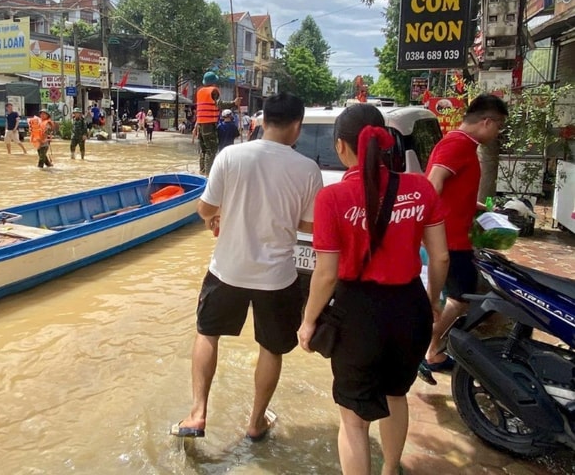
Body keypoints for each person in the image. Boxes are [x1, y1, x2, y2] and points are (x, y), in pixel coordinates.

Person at [297, 103, 449, 475]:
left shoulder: (332, 199)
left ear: (340, 147)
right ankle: (391, 468)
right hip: (410, 307)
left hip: (358, 315)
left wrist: (307, 322)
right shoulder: (421, 188)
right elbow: (441, 258)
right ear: (383, 143)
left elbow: (326, 274)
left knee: (353, 420)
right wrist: (431, 304)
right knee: (397, 395)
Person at [171, 92, 323, 442]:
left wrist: (220, 216)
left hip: (227, 270)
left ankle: (197, 414)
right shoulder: (307, 169)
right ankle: (256, 422)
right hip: (278, 278)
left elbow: (204, 210)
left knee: (208, 334)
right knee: (271, 348)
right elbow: (312, 227)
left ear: (262, 120)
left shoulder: (230, 156)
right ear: (297, 126)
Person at [420, 93, 509, 379]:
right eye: (499, 127)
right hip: (449, 241)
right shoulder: (458, 144)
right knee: (458, 301)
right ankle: (429, 351)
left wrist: (482, 209)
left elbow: (454, 192)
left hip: (453, 238)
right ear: (486, 121)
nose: (498, 133)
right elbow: (433, 184)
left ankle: (429, 349)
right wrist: (430, 234)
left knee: (455, 299)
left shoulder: (464, 146)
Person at [195, 71, 241, 176]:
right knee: (211, 150)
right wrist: (234, 103)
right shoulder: (213, 91)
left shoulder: (200, 91)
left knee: (203, 150)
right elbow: (220, 105)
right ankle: (208, 175)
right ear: (214, 82)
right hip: (209, 124)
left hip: (200, 125)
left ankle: (202, 172)